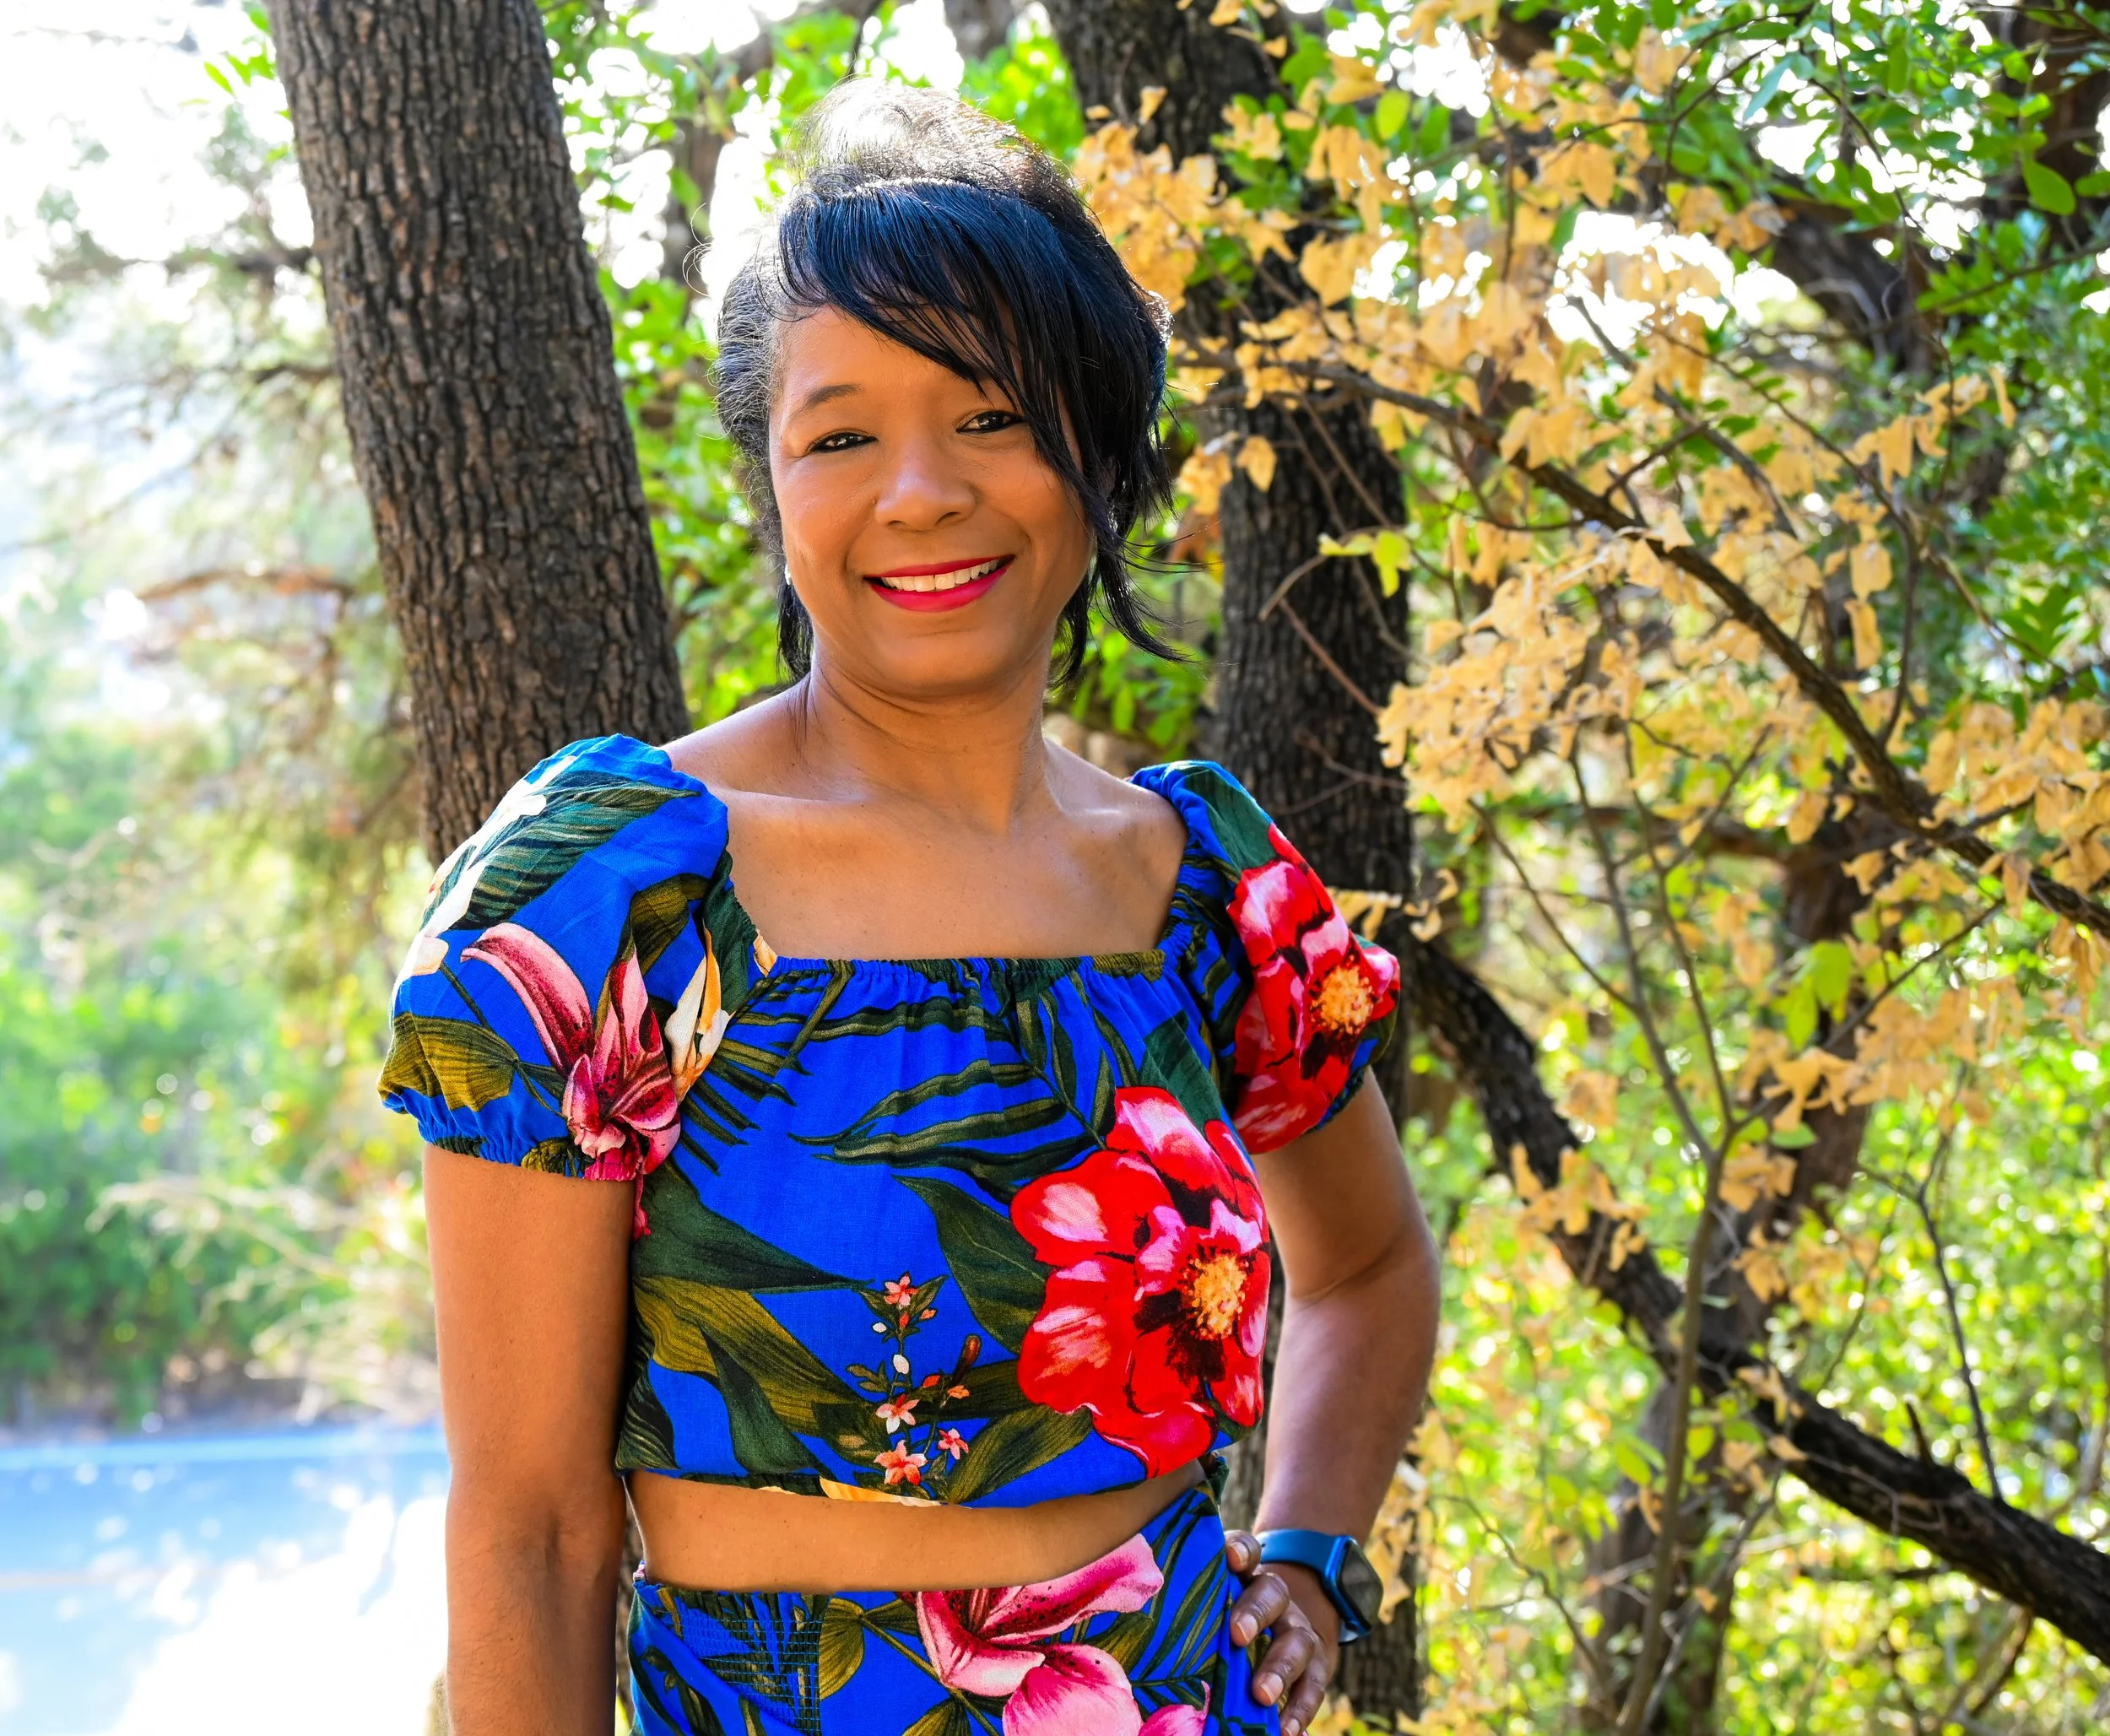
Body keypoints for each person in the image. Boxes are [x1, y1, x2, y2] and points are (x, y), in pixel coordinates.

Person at [381, 79, 1439, 1736]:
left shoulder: (1204, 884)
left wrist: (1308, 1557)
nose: (923, 490)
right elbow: (530, 1528)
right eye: (841, 434)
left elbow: (1368, 1264)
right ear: (774, 485)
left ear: (1099, 455)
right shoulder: (619, 889)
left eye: (992, 416)